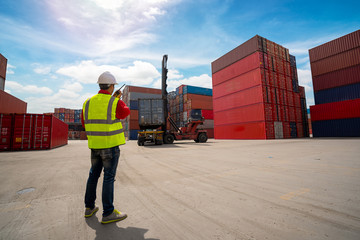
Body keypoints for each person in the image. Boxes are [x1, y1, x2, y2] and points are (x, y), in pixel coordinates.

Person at [81, 71, 130, 224]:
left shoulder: (87, 102)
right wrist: (117, 99)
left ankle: (89, 208)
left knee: (93, 175)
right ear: (111, 86)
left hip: (94, 146)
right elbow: (125, 113)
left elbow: (84, 123)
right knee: (108, 178)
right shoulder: (114, 102)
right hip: (110, 146)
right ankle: (108, 213)